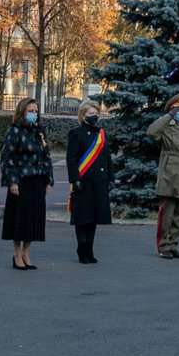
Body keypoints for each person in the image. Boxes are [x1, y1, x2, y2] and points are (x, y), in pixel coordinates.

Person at [0, 98, 53, 270]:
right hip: (21, 182)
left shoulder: (40, 132)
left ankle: (27, 253)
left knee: (33, 220)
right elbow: (7, 158)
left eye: (35, 111)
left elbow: (46, 156)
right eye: (30, 111)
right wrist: (12, 181)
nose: (33, 114)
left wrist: (48, 179)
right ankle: (16, 255)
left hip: (37, 181)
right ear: (22, 112)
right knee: (20, 220)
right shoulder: (14, 131)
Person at [148, 93, 179, 259]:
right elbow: (151, 132)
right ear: (173, 111)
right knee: (167, 215)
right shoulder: (166, 128)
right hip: (170, 177)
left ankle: (174, 245)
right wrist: (168, 116)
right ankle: (163, 246)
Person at [66, 100, 112, 264]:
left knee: (93, 217)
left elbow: (107, 158)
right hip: (83, 182)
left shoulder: (101, 134)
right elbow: (71, 159)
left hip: (99, 182)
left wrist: (110, 178)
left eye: (96, 113)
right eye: (90, 114)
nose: (94, 116)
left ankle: (90, 250)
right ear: (83, 116)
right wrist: (74, 179)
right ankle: (82, 248)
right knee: (82, 217)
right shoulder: (76, 133)